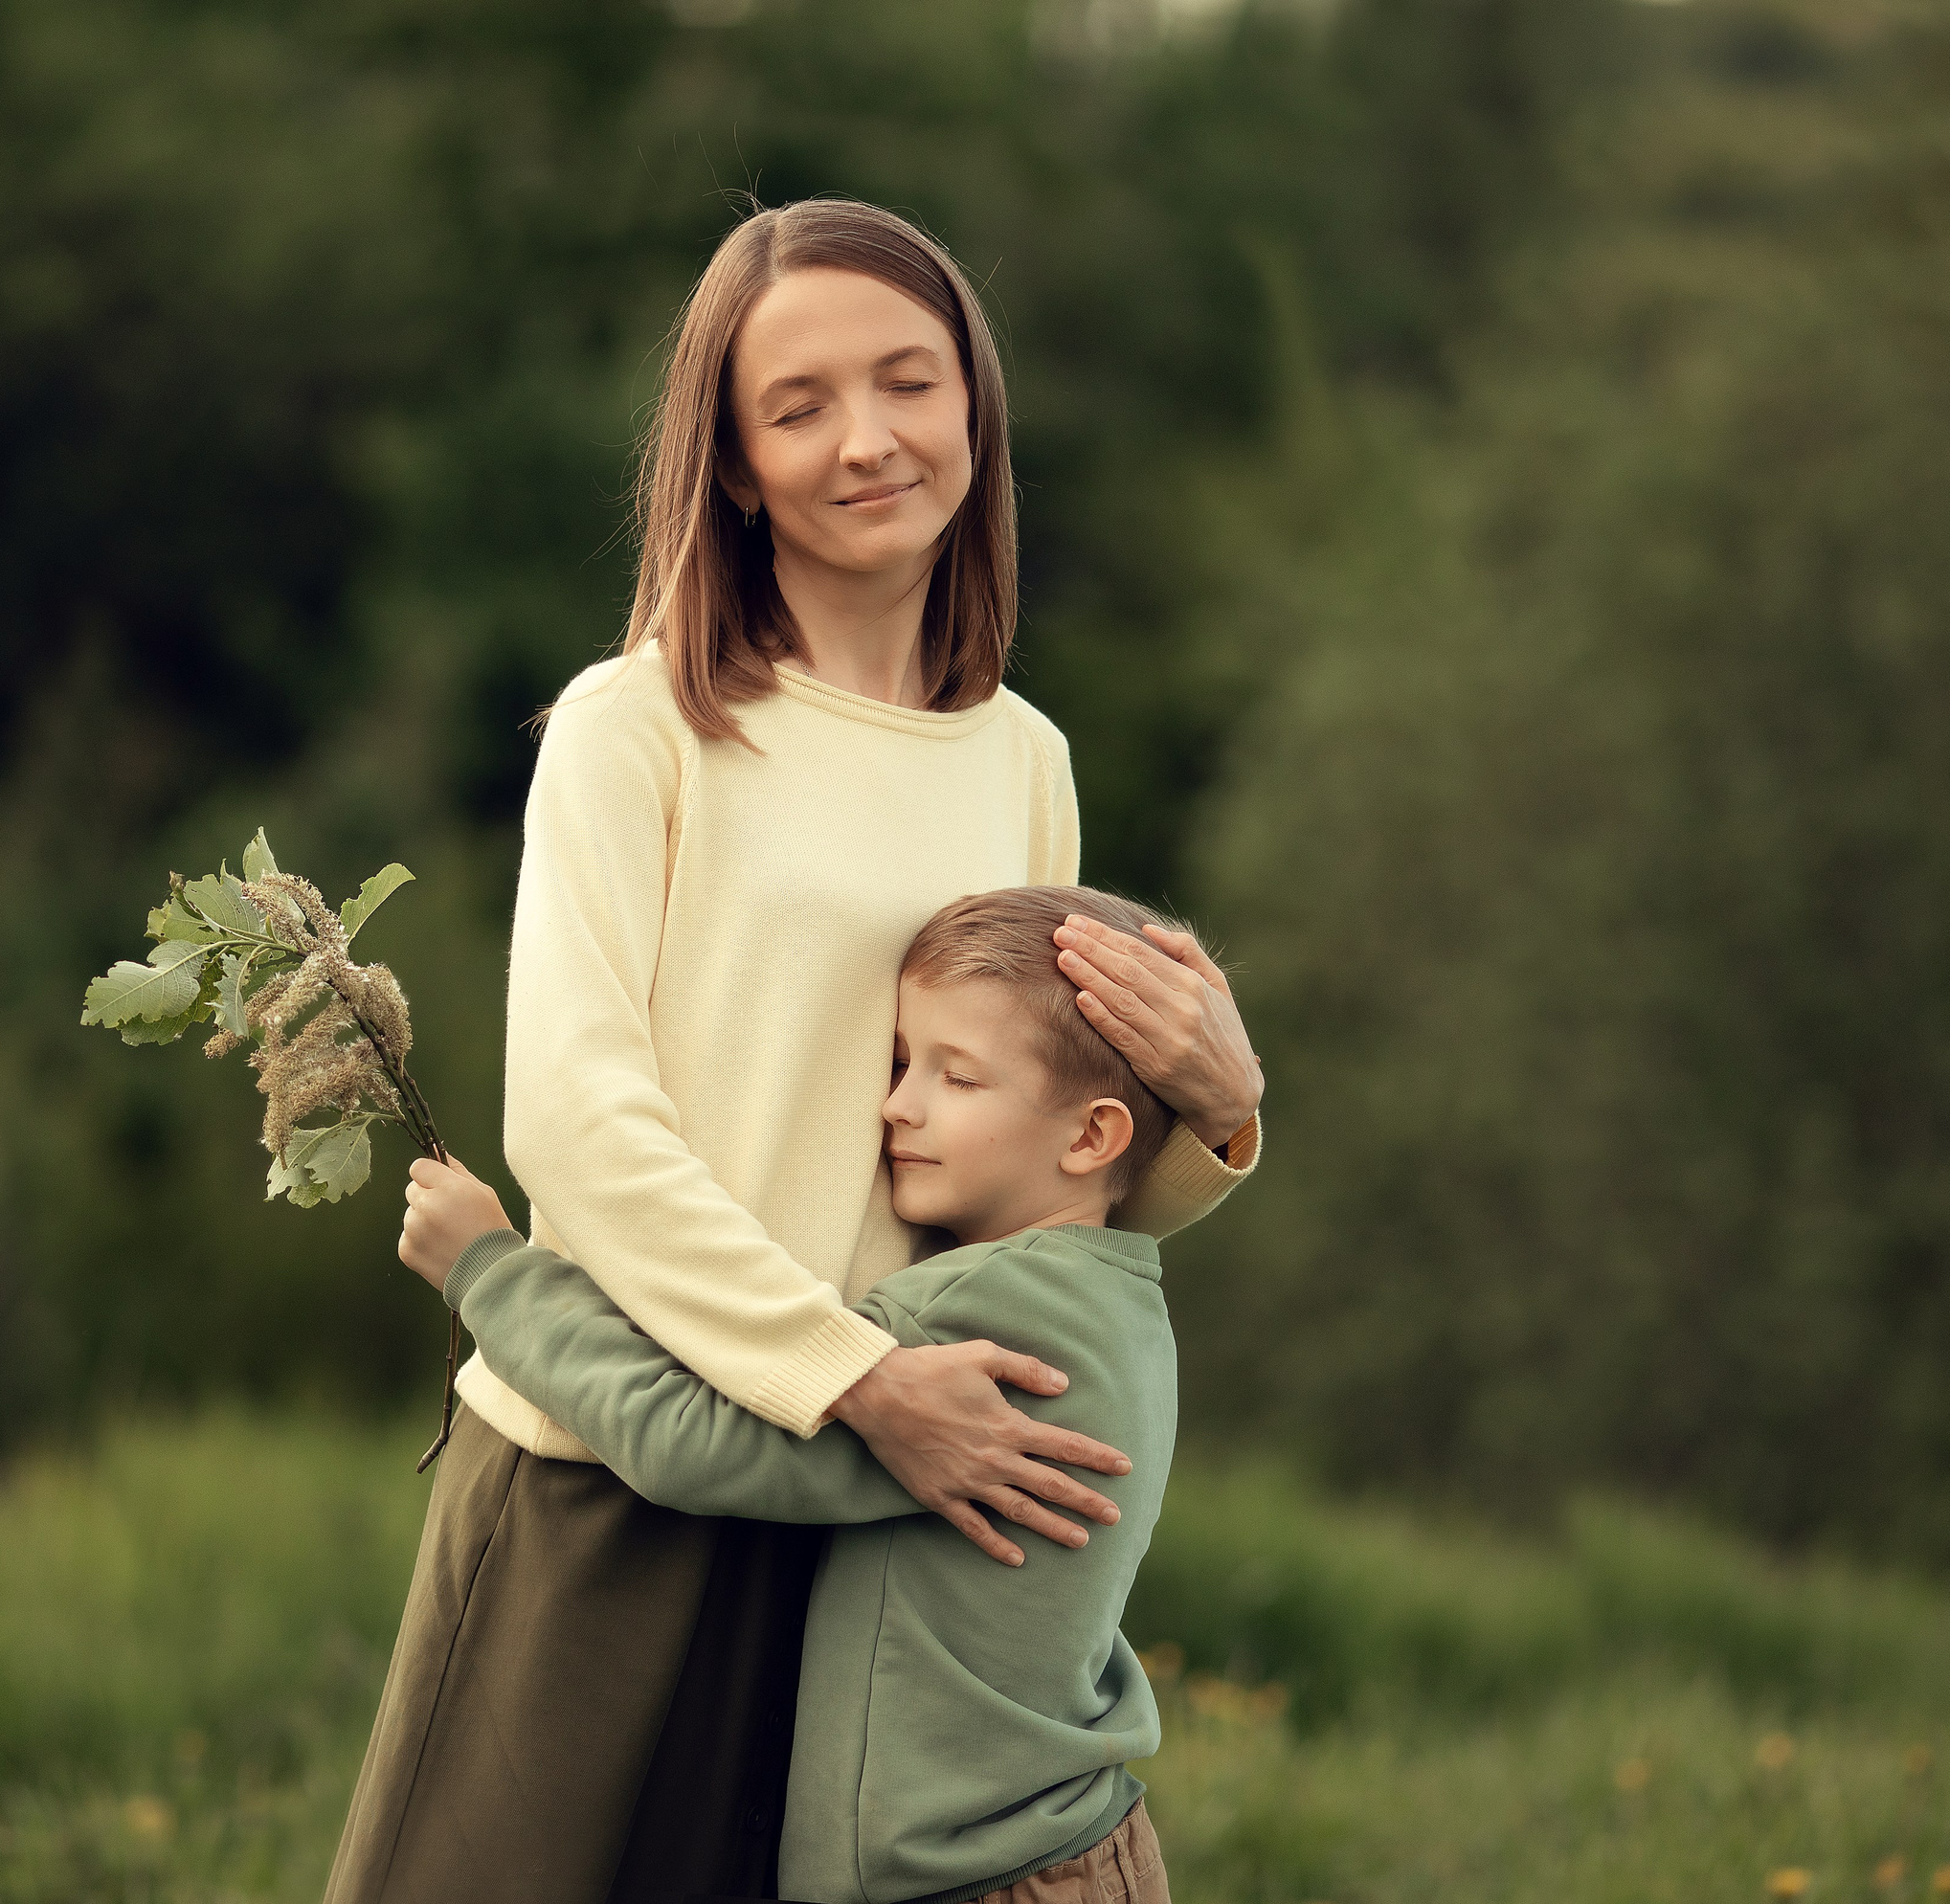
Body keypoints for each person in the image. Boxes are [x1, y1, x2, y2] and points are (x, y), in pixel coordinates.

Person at [325, 198, 1262, 1904]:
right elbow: (580, 1122)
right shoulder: (638, 726)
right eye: (800, 405)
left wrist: (1219, 1107)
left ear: (973, 405)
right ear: (737, 465)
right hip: (614, 1470)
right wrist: (847, 1376)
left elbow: (1055, 1166)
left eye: (909, 381)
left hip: (876, 1511)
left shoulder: (1023, 759)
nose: (868, 439)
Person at [400, 885, 1193, 1904]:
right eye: (904, 1063)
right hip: (1059, 1855)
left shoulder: (980, 1315)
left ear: (1091, 1138)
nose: (897, 1104)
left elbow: (690, 1442)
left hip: (984, 1882)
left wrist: (492, 1270)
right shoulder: (1114, 1297)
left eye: (956, 1077)